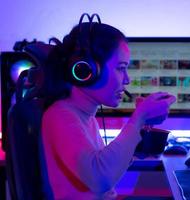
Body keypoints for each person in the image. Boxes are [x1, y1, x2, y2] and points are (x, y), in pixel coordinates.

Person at [40, 13, 176, 200]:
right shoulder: (60, 115)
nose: (127, 79)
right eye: (121, 68)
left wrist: (142, 128)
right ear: (88, 70)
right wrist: (138, 119)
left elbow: (105, 169)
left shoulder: (84, 115)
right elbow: (100, 179)